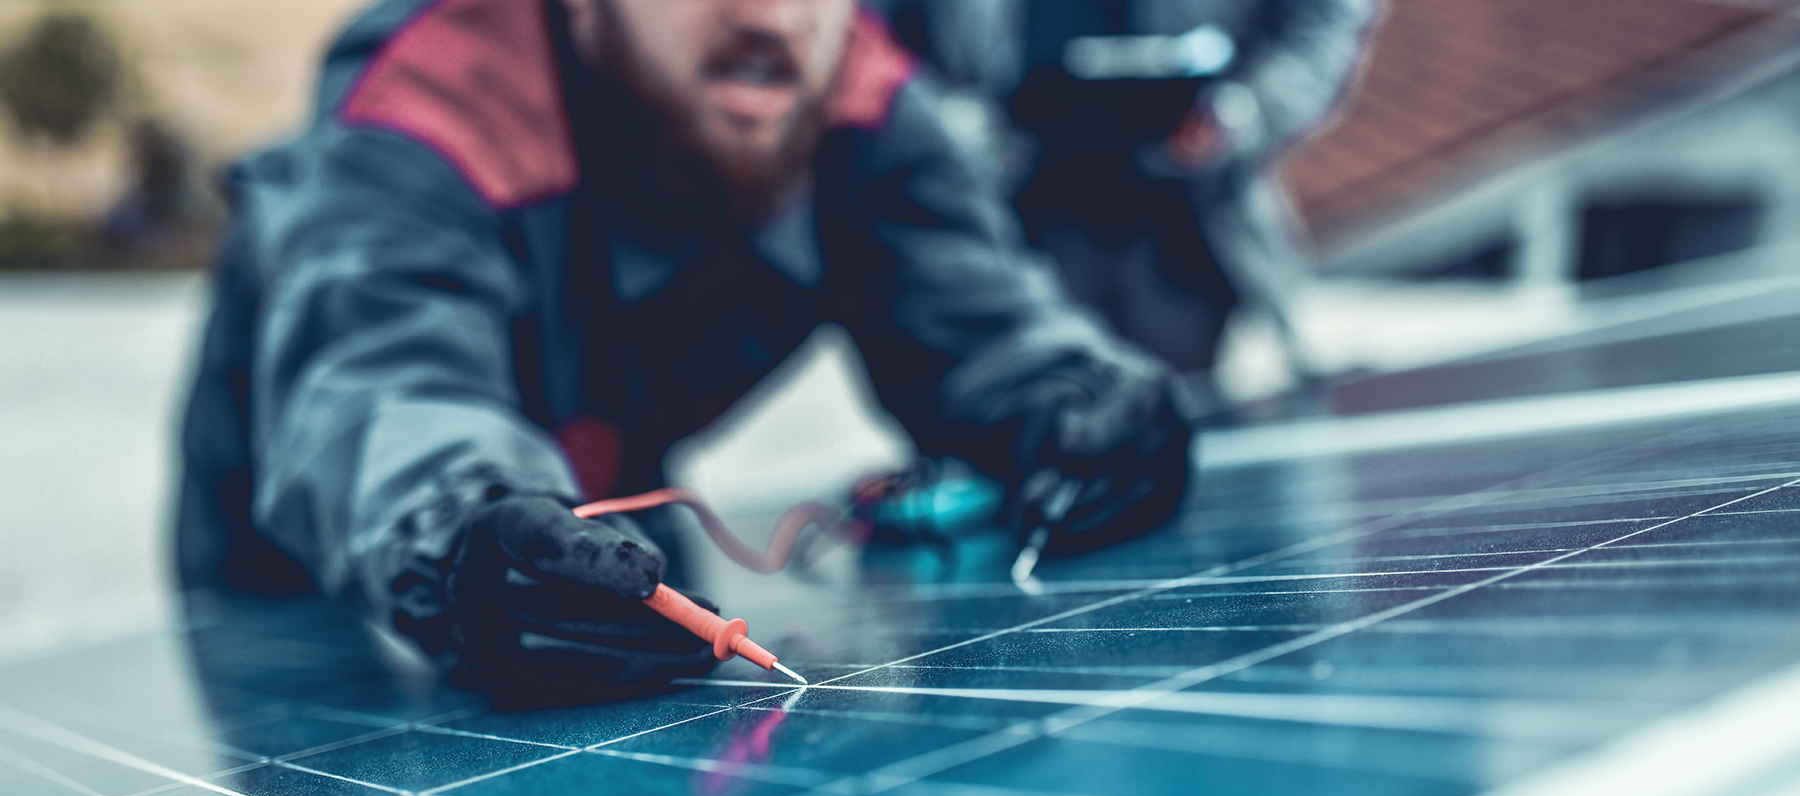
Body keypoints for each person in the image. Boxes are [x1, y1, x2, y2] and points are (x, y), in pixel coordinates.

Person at [177, 0, 1192, 709]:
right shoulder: (425, 108)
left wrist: (1074, 405)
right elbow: (380, 388)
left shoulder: (862, 97)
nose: (772, 14)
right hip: (321, 570)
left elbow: (983, 323)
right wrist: (455, 542)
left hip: (594, 498)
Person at [873, 0, 1377, 402]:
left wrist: (1249, 109)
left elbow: (1326, 16)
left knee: (1177, 412)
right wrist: (946, 128)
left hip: (1186, 225)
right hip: (1015, 216)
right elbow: (871, 41)